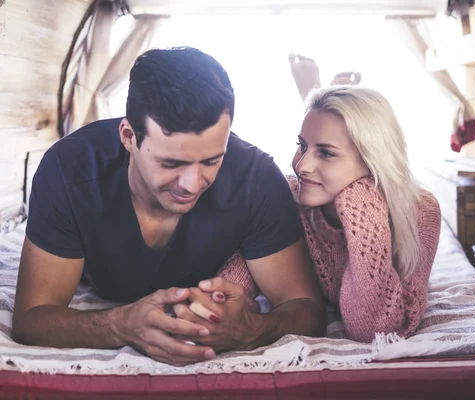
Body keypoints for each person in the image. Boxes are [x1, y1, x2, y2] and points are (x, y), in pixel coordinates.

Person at [12, 47, 325, 366]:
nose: (191, 184)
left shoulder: (255, 178)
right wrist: (120, 325)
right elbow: (32, 319)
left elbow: (305, 308)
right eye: (171, 163)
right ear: (129, 136)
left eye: (212, 160)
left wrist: (251, 329)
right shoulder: (68, 170)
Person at [195, 85, 442, 343]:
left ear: (373, 160)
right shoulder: (287, 194)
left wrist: (360, 204)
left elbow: (376, 331)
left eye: (325, 153)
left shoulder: (420, 211)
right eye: (302, 145)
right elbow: (228, 289)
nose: (302, 165)